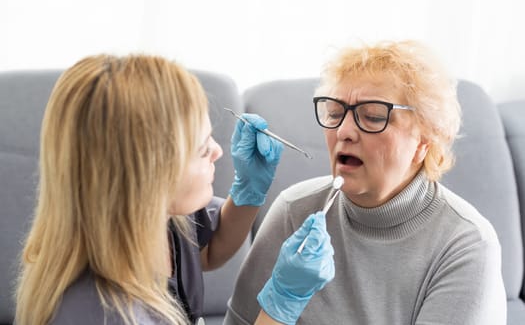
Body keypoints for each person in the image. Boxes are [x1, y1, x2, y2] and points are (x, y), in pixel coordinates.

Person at [14, 54, 335, 325]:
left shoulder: (159, 227)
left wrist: (248, 190)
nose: (218, 152)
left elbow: (209, 250)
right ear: (147, 178)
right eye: (200, 149)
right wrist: (282, 304)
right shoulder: (107, 314)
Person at [224, 40, 507, 325]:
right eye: (335, 113)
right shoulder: (293, 211)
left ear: (424, 140)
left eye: (372, 117)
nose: (344, 131)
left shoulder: (466, 246)